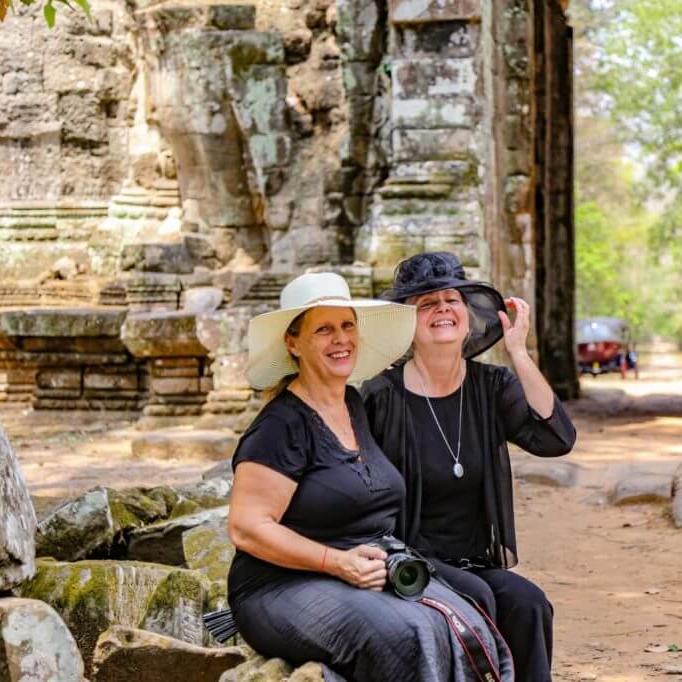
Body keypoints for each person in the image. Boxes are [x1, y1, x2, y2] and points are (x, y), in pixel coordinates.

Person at [227, 271, 514, 682]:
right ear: (293, 343)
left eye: (347, 325)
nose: (340, 338)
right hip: (279, 587)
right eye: (323, 329)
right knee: (410, 632)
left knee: (467, 617)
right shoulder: (280, 426)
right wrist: (337, 562)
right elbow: (247, 528)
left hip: (362, 568)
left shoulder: (352, 403)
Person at [361, 253, 577, 682]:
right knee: (478, 597)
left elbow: (556, 438)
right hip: (407, 561)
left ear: (467, 313)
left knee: (529, 602)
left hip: (474, 561)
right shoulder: (380, 395)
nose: (442, 309)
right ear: (409, 323)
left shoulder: (492, 386)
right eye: (427, 304)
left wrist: (518, 351)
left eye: (451, 299)